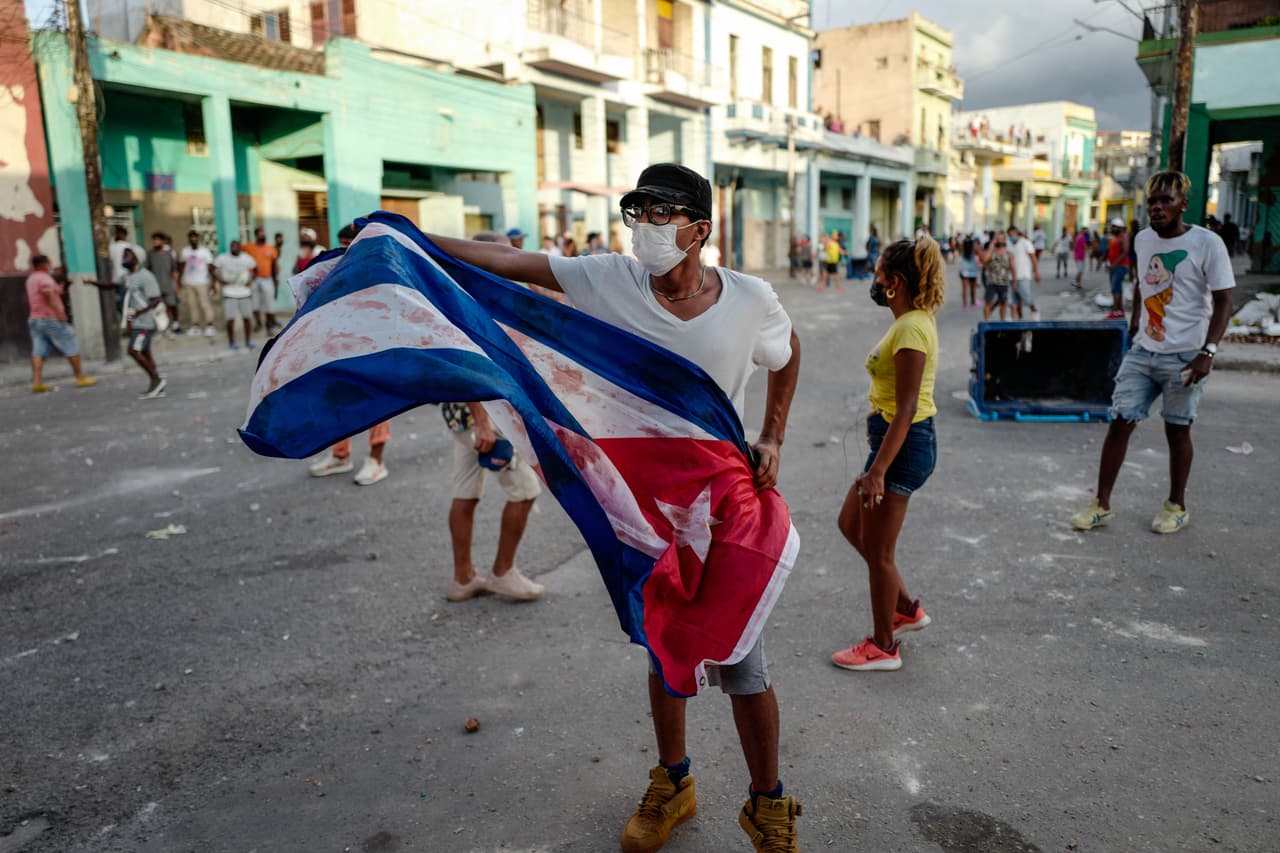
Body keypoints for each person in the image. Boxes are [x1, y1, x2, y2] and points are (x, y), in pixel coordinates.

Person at [422, 163, 803, 852]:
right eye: (640, 212)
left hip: (720, 506)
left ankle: (767, 802)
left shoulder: (749, 298)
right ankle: (674, 781)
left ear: (700, 230)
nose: (648, 227)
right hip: (644, 507)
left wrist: (773, 432)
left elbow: (787, 350)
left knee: (742, 656)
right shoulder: (608, 280)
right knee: (661, 643)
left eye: (663, 214)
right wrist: (412, 237)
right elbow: (510, 261)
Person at [1071, 170, 1234, 536]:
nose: (1157, 208)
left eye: (1166, 200)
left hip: (1186, 354)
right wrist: (1133, 325)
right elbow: (1142, 285)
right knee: (1120, 421)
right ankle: (1101, 504)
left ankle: (1176, 506)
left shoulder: (1208, 244)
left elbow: (1224, 301)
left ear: (1183, 205)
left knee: (1177, 430)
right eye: (1153, 202)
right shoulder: (1142, 240)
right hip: (1144, 350)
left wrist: (1208, 351)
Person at [832, 236, 944, 672]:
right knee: (850, 524)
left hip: (903, 449)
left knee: (879, 552)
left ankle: (883, 646)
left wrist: (878, 469)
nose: (874, 280)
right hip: (893, 444)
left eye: (879, 273)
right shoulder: (908, 323)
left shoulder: (913, 327)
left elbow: (910, 406)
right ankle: (905, 610)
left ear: (895, 282)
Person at [309, 222, 393, 485]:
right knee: (337, 398)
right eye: (342, 244)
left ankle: (376, 461)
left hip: (376, 346)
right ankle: (340, 454)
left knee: (378, 403)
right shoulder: (336, 269)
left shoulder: (380, 268)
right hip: (342, 346)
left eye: (350, 244)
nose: (345, 250)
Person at [440, 396, 544, 602]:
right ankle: (502, 572)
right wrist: (482, 423)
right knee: (525, 491)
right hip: (483, 416)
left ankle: (463, 579)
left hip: (459, 414)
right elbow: (470, 369)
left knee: (465, 490)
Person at [26, 255, 97, 393]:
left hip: (35, 319)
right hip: (50, 318)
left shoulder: (31, 279)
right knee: (70, 343)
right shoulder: (44, 278)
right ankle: (80, 377)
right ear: (44, 264)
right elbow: (48, 295)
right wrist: (59, 312)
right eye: (49, 263)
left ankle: (37, 382)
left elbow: (48, 293)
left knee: (38, 350)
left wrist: (59, 288)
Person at [120, 248, 166, 399]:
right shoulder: (127, 277)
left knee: (133, 350)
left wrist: (140, 312)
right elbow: (113, 286)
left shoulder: (146, 276)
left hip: (145, 323)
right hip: (137, 322)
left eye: (128, 256)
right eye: (123, 256)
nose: (124, 258)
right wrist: (93, 283)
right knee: (145, 353)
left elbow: (156, 299)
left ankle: (156, 380)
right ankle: (156, 385)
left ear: (137, 259)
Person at [213, 240, 257, 350]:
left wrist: (251, 280)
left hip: (244, 292)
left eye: (236, 246)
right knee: (230, 319)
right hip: (229, 292)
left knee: (247, 318)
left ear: (240, 248)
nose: (234, 248)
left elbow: (256, 269)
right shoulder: (223, 258)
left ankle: (248, 341)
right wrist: (219, 280)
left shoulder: (246, 258)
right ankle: (231, 342)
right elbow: (212, 268)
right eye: (232, 246)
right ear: (230, 247)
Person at [180, 231, 217, 336]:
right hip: (189, 282)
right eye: (191, 238)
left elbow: (211, 268)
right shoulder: (185, 251)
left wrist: (214, 283)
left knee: (205, 304)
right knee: (192, 305)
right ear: (189, 239)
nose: (193, 239)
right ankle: (195, 326)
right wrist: (179, 281)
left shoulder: (204, 251)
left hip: (202, 282)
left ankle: (210, 326)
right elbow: (181, 266)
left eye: (195, 237)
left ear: (198, 239)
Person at [244, 227, 280, 334]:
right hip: (254, 279)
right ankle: (258, 322)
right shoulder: (248, 247)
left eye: (264, 234)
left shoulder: (270, 248)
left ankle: (269, 325)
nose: (263, 236)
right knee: (255, 303)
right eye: (260, 234)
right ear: (256, 235)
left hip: (267, 279)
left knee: (269, 303)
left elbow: (274, 265)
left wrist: (276, 279)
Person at [148, 232, 181, 334]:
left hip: (168, 284)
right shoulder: (150, 254)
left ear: (162, 241)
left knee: (172, 305)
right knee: (157, 307)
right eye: (154, 240)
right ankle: (161, 326)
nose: (155, 242)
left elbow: (174, 271)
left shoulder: (168, 254)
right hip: (156, 286)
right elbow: (148, 270)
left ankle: (175, 324)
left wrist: (177, 285)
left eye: (157, 240)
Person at [1008, 225, 1040, 320]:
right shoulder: (1010, 245)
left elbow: (1033, 258)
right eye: (1009, 235)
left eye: (1011, 235)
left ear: (1016, 233)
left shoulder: (1025, 243)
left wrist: (1036, 272)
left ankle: (1034, 311)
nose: (1010, 237)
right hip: (1012, 276)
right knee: (1014, 299)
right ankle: (1015, 318)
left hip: (1023, 275)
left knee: (1026, 296)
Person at [981, 231, 1014, 321]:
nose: (999, 241)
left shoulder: (1008, 252)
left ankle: (1002, 321)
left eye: (1001, 239)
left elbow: (1013, 267)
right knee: (988, 301)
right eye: (997, 239)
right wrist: (991, 248)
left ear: (1005, 240)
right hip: (991, 281)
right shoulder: (991, 251)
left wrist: (1014, 282)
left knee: (1003, 302)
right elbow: (985, 260)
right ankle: (987, 321)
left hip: (1004, 282)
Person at [1105, 217, 1130, 319]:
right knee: (1115, 289)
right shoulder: (1113, 238)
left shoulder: (1123, 237)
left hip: (1120, 266)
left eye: (1115, 227)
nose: (1113, 228)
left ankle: (1114, 311)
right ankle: (1120, 310)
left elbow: (1125, 252)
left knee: (1116, 289)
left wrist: (1114, 264)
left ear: (1120, 227)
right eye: (1112, 226)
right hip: (1114, 267)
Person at [958, 236, 980, 309]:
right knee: (972, 288)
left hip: (964, 270)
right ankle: (973, 302)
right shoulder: (974, 247)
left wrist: (964, 241)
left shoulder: (962, 247)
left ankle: (964, 304)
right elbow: (979, 251)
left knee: (964, 288)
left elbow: (959, 247)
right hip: (973, 270)